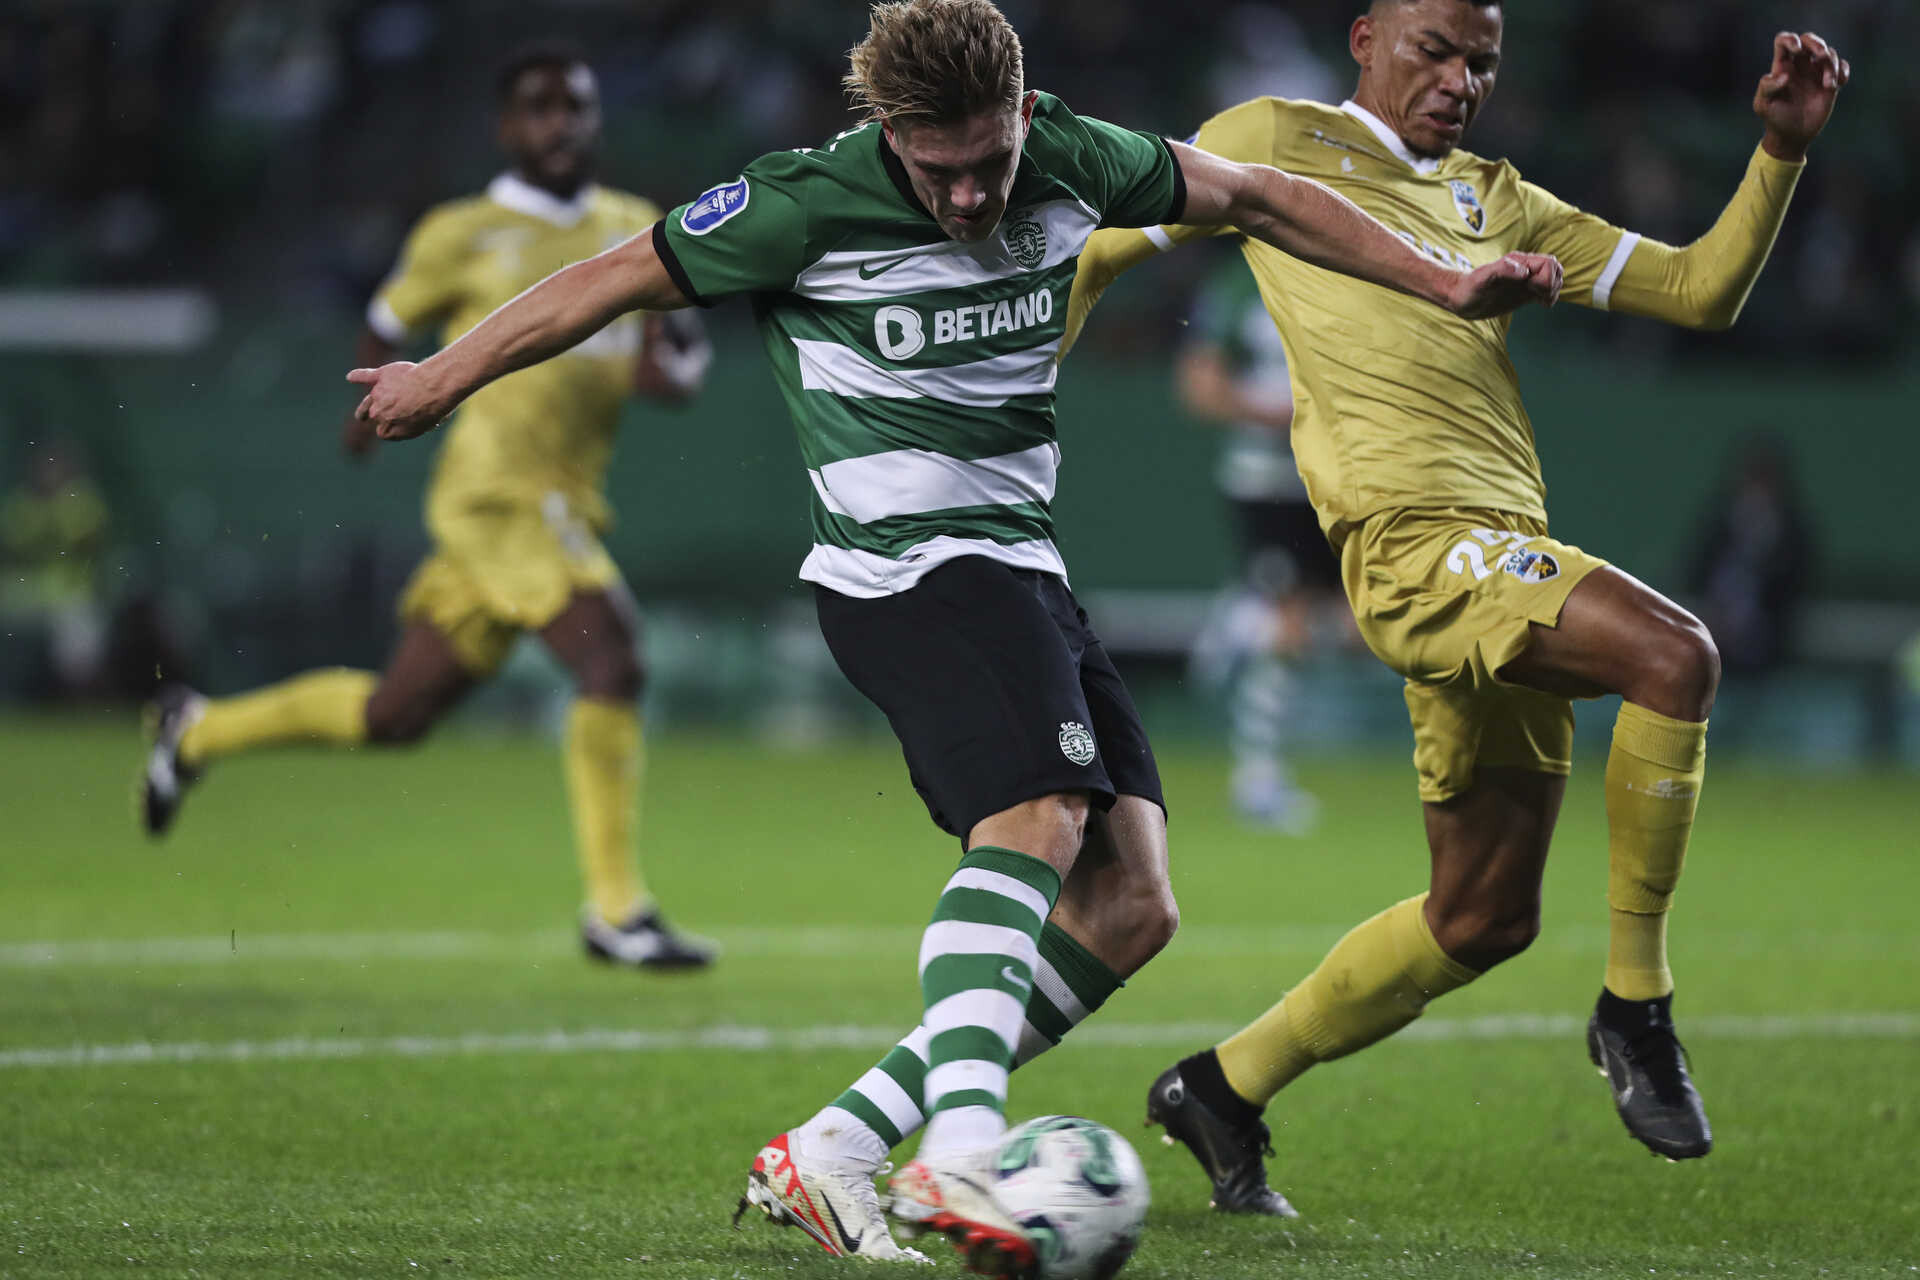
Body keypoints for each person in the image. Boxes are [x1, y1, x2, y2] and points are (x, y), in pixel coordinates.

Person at [348, 1, 1559, 1269]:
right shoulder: (801, 202)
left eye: (991, 160)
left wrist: (1445, 279)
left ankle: (832, 1149)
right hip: (900, 566)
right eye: (941, 171)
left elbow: (1259, 194)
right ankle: (964, 1154)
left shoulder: (1072, 155)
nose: (975, 195)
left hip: (1023, 565)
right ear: (888, 133)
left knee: (1132, 904)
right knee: (1038, 815)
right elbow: (604, 281)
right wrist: (438, 375)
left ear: (1024, 112)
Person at [1066, 0, 1847, 1216]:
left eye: (1484, 62)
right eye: (1437, 50)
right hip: (1409, 545)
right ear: (1368, 36)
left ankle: (1222, 1086)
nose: (1461, 80)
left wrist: (1780, 152)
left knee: (1482, 916)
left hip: (1501, 554)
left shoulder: (1504, 197)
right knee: (1675, 655)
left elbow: (1701, 292)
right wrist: (1021, 365)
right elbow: (1112, 238)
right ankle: (1637, 1006)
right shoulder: (1270, 134)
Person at [141, 44, 717, 971]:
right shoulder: (461, 232)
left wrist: (668, 370)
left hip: (566, 502)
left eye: (575, 107)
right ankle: (616, 909)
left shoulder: (632, 224)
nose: (560, 124)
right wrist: (366, 409)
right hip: (496, 499)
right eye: (539, 109)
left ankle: (197, 729)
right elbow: (386, 320)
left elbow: (681, 357)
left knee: (394, 715)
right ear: (506, 128)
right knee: (612, 660)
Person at [1176, 246, 1347, 832]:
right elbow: (1199, 385)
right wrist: (1283, 415)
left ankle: (1237, 617)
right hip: (1266, 479)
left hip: (1329, 480)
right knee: (1291, 621)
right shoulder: (1235, 285)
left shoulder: (1341, 269)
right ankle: (1258, 782)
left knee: (1341, 623)